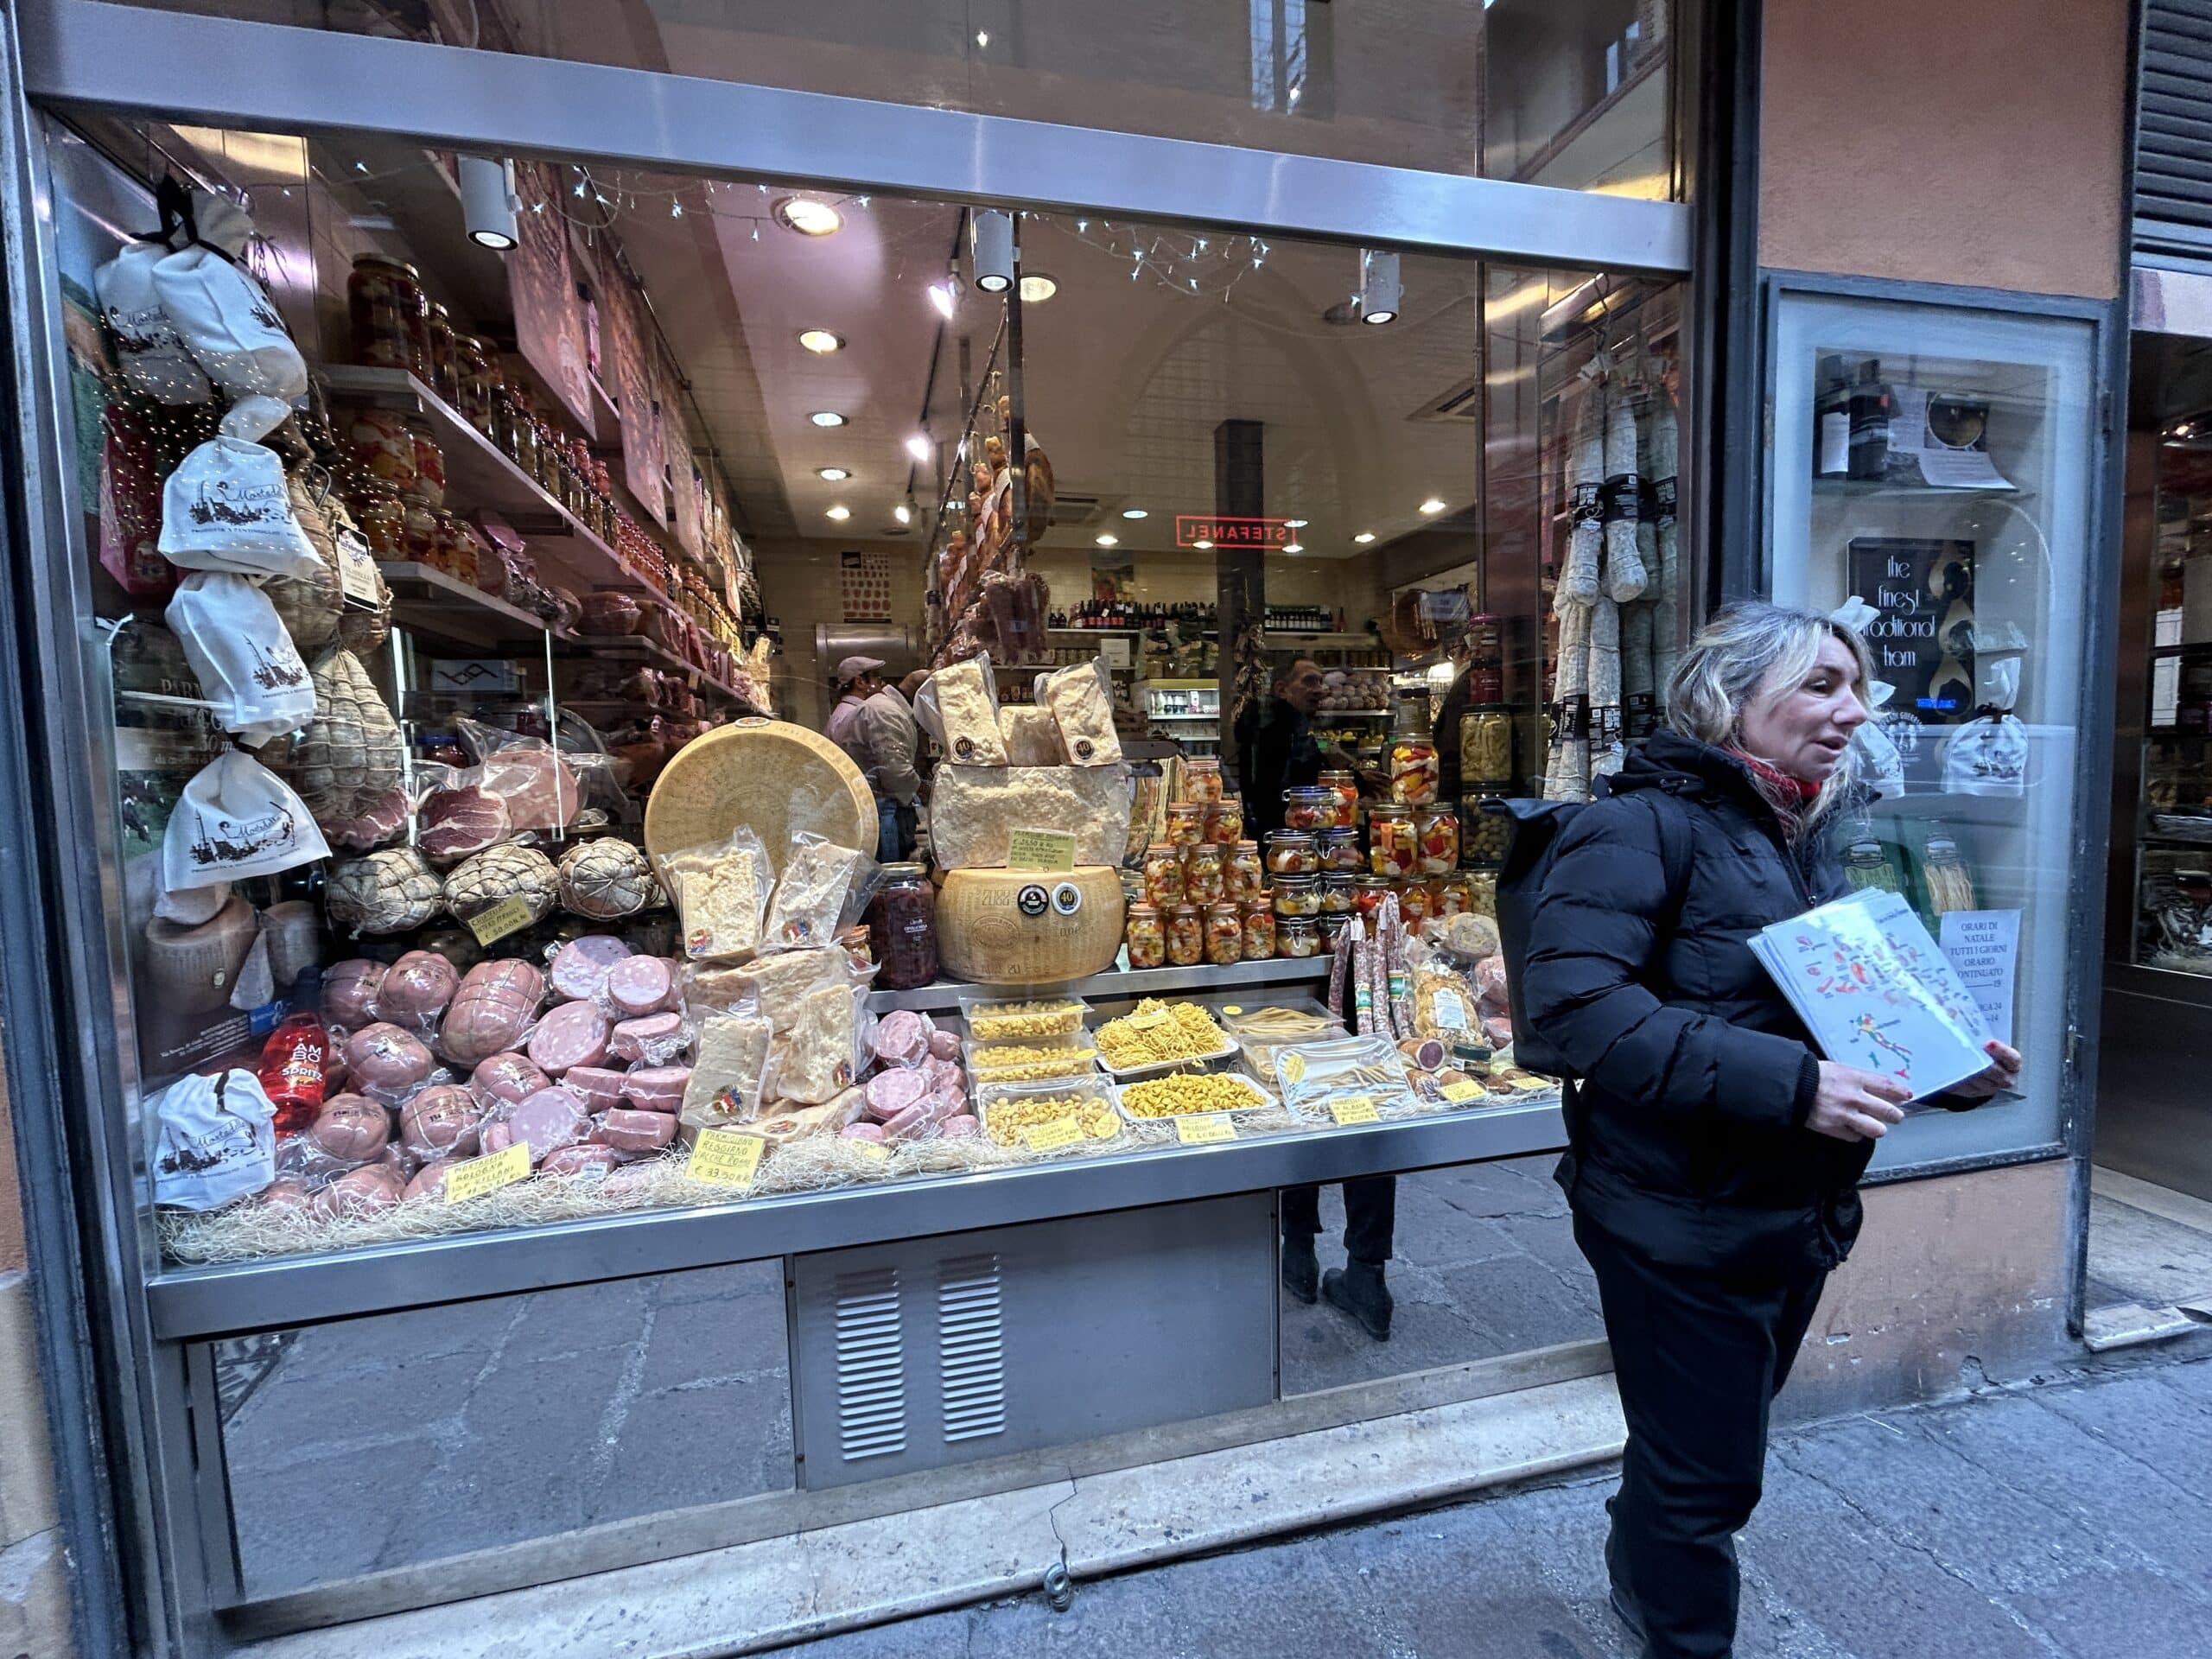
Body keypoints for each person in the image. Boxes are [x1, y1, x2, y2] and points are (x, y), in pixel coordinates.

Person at [1520, 601, 2021, 1659]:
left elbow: (1824, 1008)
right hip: (1674, 1216)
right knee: (1708, 1481)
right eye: (1820, 687)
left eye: (1858, 688)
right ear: (1729, 699)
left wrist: (1948, 1072)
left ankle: (1640, 1554)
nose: (1853, 711)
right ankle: (1675, 1629)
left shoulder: (1798, 828)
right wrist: (1793, 1087)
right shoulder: (1636, 824)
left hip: (1783, 1212)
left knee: (1696, 1448)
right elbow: (1569, 1012)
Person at [1242, 658, 1400, 1338]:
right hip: (1321, 917)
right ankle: (1363, 1270)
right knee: (1357, 1088)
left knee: (1303, 1084)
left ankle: (1299, 1249)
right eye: (1305, 680)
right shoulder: (1281, 727)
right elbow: (1278, 797)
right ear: (1282, 686)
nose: (1317, 689)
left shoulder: (1271, 725)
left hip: (1309, 913)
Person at [827, 656, 923, 861]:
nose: (883, 684)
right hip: (879, 810)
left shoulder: (844, 713)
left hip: (865, 809)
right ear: (859, 682)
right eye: (877, 678)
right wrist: (923, 788)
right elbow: (894, 772)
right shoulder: (871, 711)